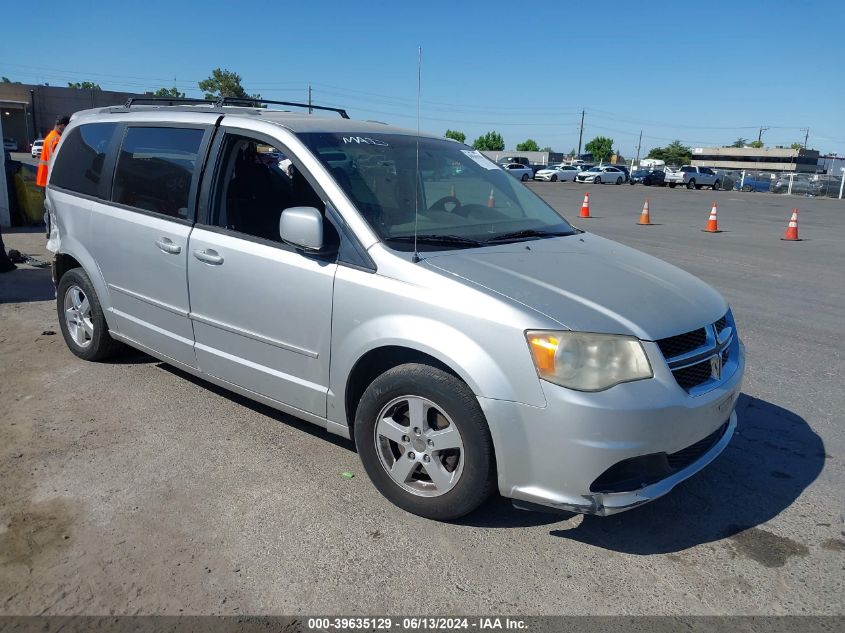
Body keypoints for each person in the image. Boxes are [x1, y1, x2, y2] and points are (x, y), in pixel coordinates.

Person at [35, 115, 69, 188]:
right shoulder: (56, 139)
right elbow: (60, 160)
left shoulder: (50, 136)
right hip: (50, 178)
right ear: (62, 126)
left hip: (44, 177)